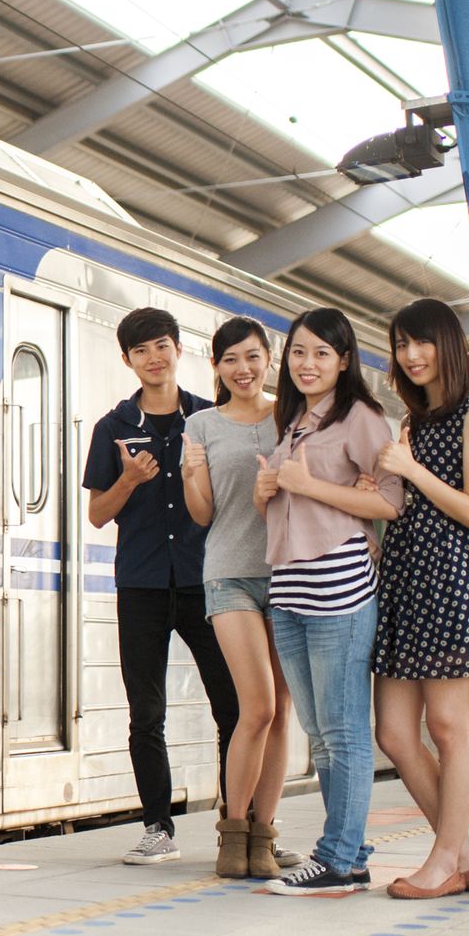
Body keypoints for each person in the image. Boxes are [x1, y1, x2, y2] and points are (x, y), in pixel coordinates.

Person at [372, 298, 469, 900]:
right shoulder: (413, 420)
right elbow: (407, 501)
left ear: (448, 347)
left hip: (455, 578)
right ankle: (462, 856)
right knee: (395, 733)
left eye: (422, 343)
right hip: (407, 577)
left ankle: (442, 863)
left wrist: (409, 469)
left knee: (448, 725)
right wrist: (385, 484)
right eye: (402, 345)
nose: (411, 356)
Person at [84, 307, 239, 866]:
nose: (155, 358)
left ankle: (238, 821)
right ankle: (157, 828)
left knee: (235, 708)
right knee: (146, 713)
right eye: (142, 350)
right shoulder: (113, 427)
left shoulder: (210, 418)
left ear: (179, 350)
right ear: (127, 359)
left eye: (163, 346)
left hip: (206, 580)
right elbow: (98, 514)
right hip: (142, 583)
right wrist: (127, 479)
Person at [254, 307, 402, 896]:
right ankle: (353, 850)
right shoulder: (293, 420)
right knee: (319, 733)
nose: (307, 363)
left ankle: (338, 858)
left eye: (321, 353)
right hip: (288, 587)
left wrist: (307, 485)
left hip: (337, 589)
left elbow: (391, 502)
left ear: (345, 360)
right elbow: (294, 504)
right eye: (298, 352)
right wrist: (268, 491)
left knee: (342, 732)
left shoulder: (361, 417)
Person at [183, 317, 303, 878]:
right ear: (216, 367)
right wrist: (190, 475)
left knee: (282, 714)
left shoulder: (293, 415)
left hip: (288, 571)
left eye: (253, 357)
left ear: (269, 360)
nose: (243, 369)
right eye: (231, 360)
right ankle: (233, 836)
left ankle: (264, 838)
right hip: (228, 572)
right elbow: (204, 515)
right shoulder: (201, 424)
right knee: (256, 707)